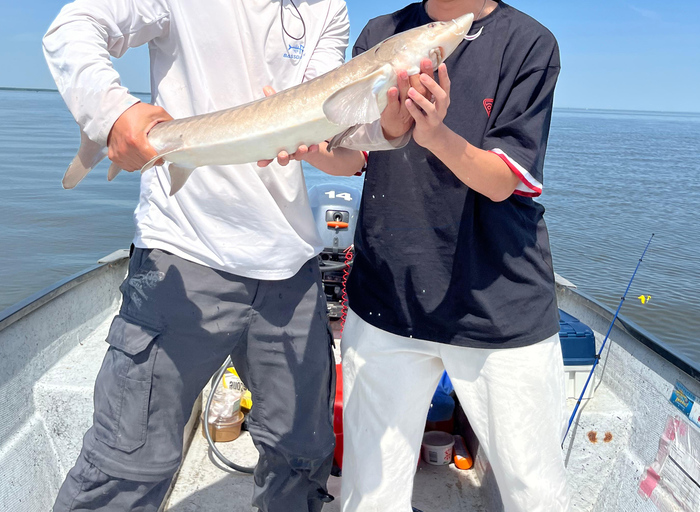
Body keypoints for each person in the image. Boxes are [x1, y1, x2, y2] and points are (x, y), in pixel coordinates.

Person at [40, 0, 387, 510]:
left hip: (289, 267)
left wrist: (335, 138)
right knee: (126, 466)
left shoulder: (327, 8)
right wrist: (115, 113)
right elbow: (73, 27)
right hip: (184, 252)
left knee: (303, 453)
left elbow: (330, 124)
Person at [339, 1, 570, 511]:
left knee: (535, 492)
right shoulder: (380, 33)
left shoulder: (529, 42)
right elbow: (353, 151)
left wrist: (435, 134)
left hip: (497, 304)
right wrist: (304, 145)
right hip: (387, 298)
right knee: (367, 495)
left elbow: (505, 179)